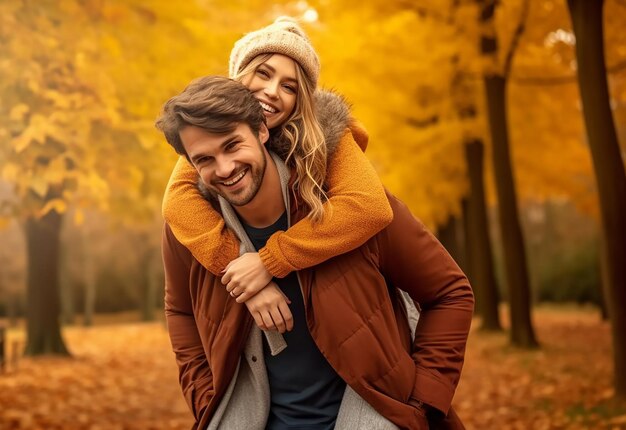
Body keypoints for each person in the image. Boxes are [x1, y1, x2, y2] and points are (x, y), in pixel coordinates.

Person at [157, 76, 474, 429]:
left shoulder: (354, 208)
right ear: (189, 164)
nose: (225, 168)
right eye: (205, 159)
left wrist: (422, 403)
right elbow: (180, 312)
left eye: (233, 145)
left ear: (262, 130)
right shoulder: (188, 229)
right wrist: (206, 402)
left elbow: (449, 293)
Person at [161, 17, 395, 334]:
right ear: (238, 77)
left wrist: (270, 260)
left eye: (289, 87)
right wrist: (244, 275)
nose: (272, 92)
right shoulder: (213, 134)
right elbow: (177, 201)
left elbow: (369, 207)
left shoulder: (325, 135)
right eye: (263, 74)